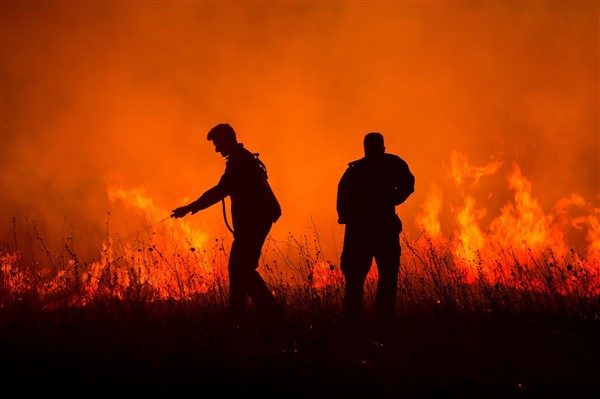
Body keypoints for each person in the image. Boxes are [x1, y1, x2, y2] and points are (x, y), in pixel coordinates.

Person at [171, 123, 282, 324]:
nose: (216, 149)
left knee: (243, 269)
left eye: (218, 143)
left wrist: (190, 207)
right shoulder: (241, 159)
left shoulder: (240, 162)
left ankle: (270, 313)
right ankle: (239, 314)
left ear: (228, 140)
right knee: (238, 268)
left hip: (253, 224)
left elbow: (220, 190)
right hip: (252, 223)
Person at [337, 132, 415, 330]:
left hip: (360, 233)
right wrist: (394, 198)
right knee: (385, 279)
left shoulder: (354, 172)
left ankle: (352, 324)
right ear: (383, 147)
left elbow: (342, 206)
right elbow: (408, 184)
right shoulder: (391, 164)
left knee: (356, 281)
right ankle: (382, 324)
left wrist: (351, 219)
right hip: (382, 231)